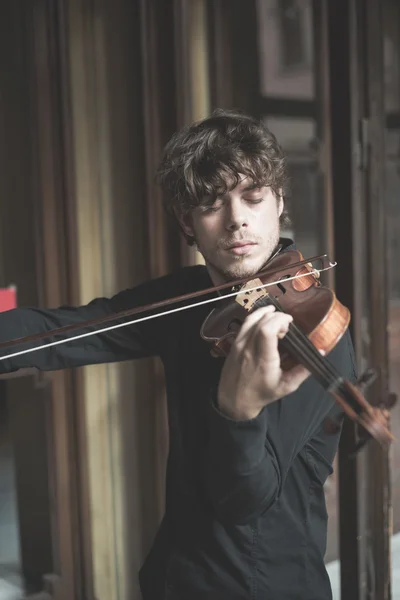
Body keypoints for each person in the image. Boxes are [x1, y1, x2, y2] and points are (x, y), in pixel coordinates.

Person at [0, 109, 356, 599]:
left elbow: (244, 499)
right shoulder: (191, 299)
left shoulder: (316, 331)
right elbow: (70, 329)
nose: (237, 220)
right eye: (212, 205)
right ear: (186, 223)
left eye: (253, 197)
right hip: (175, 576)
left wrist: (240, 409)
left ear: (279, 203)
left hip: (264, 585)